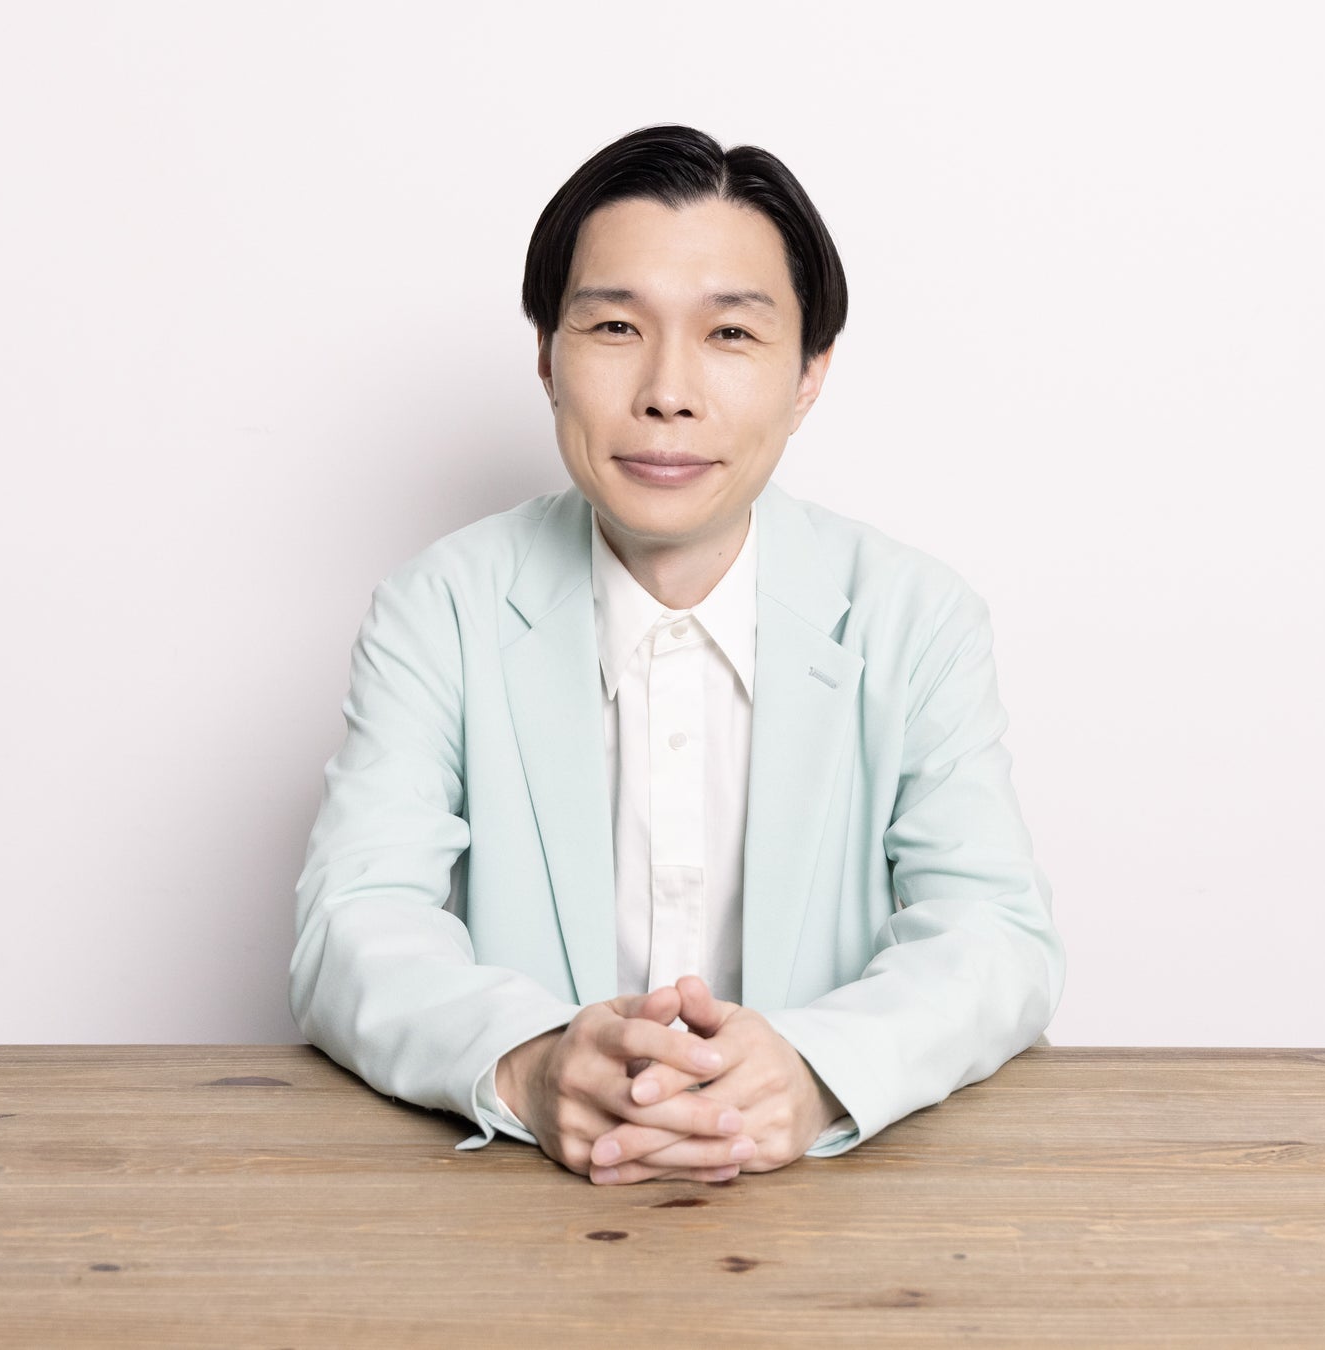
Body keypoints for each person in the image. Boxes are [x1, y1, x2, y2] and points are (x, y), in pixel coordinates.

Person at [290, 124, 1064, 1187]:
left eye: (730, 334)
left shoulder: (914, 616)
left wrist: (813, 1071)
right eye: (614, 325)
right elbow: (353, 924)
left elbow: (996, 934)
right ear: (546, 356)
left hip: (835, 1214)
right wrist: (532, 1064)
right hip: (513, 1214)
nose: (668, 391)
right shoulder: (441, 608)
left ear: (810, 374)